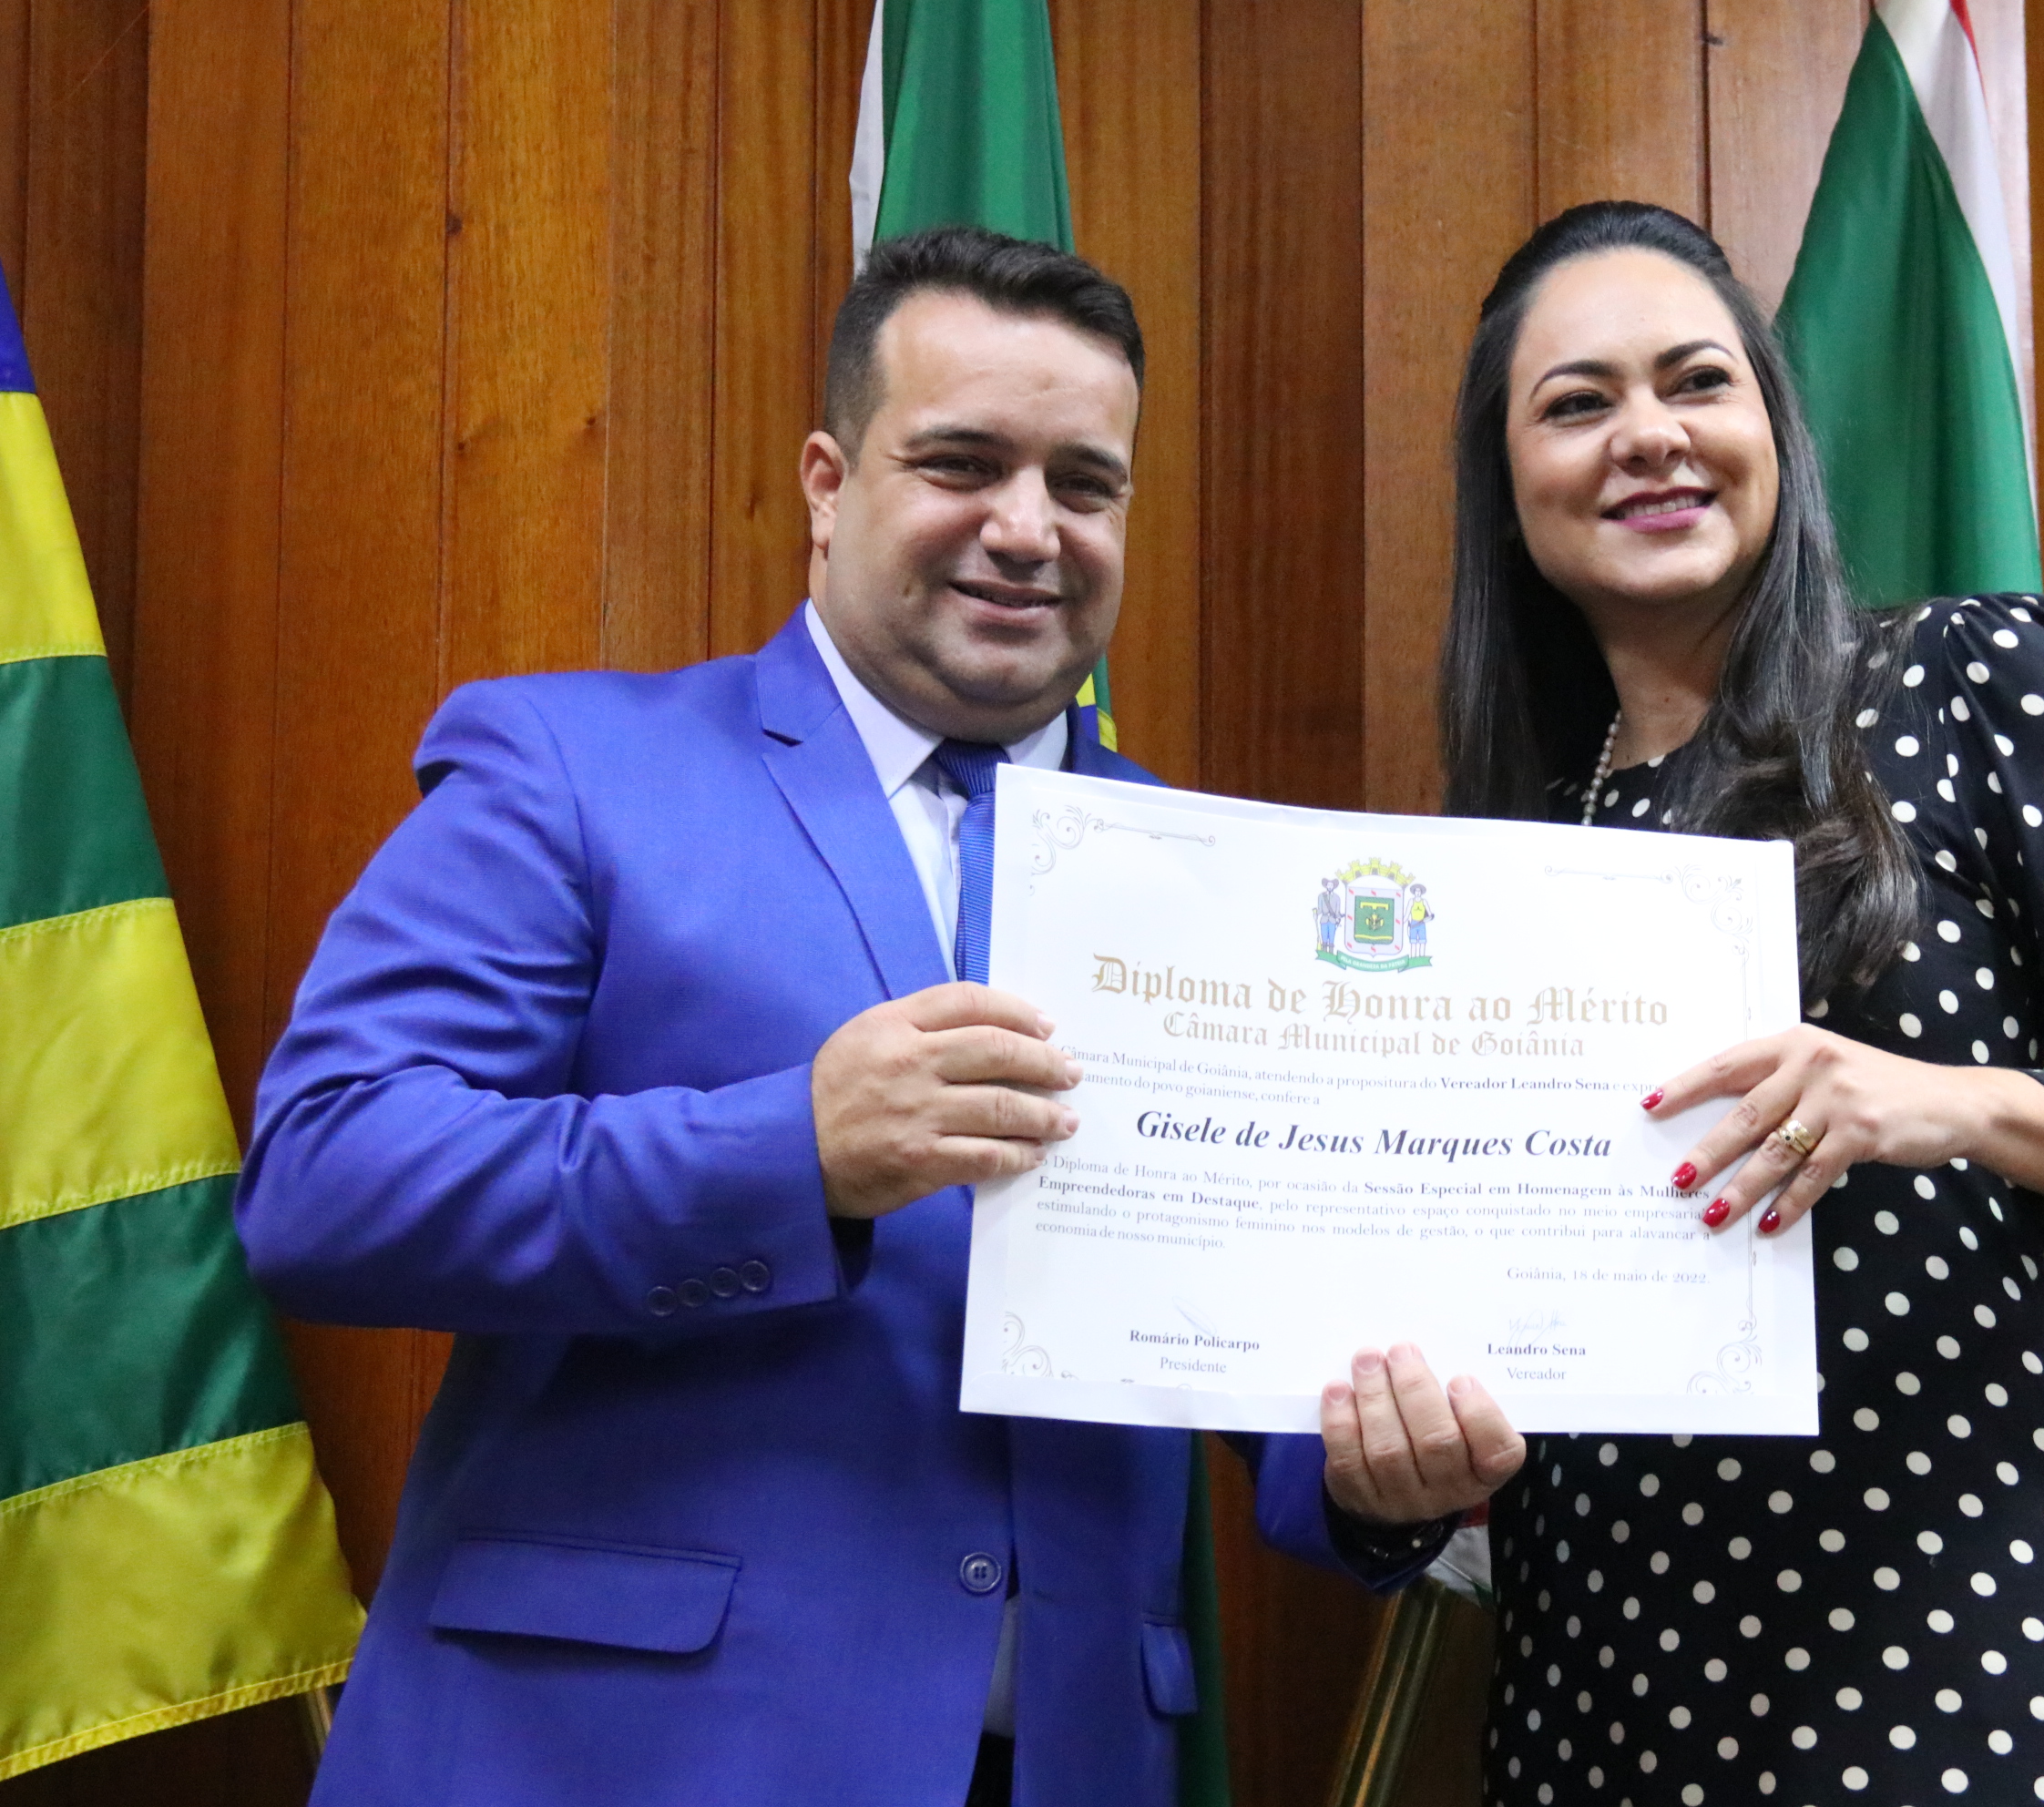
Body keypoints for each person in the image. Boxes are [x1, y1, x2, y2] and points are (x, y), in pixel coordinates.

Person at [237, 225, 1520, 1807]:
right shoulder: (569, 769)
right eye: (962, 463)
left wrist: (1384, 1475)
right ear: (828, 484)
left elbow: (1270, 1361)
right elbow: (329, 1181)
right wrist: (796, 1152)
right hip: (617, 1757)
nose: (1027, 529)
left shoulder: (1227, 885)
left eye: (1085, 485)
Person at [1438, 202, 2044, 1805]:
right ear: (1508, 486)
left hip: (1944, 1623)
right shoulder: (1515, 838)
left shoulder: (1963, 678)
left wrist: (1931, 1102)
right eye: (1577, 402)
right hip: (1596, 1659)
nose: (1649, 434)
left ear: (1774, 426)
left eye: (1698, 381)